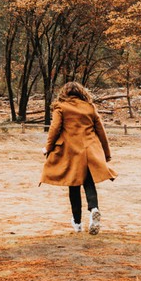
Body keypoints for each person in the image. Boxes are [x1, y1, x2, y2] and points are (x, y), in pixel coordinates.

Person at [40, 81, 116, 234]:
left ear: (64, 93)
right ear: (82, 92)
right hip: (89, 150)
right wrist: (106, 153)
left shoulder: (61, 107)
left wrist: (48, 147)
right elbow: (101, 131)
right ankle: (94, 208)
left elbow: (55, 128)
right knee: (88, 183)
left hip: (71, 151)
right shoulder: (89, 107)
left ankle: (77, 223)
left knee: (73, 185)